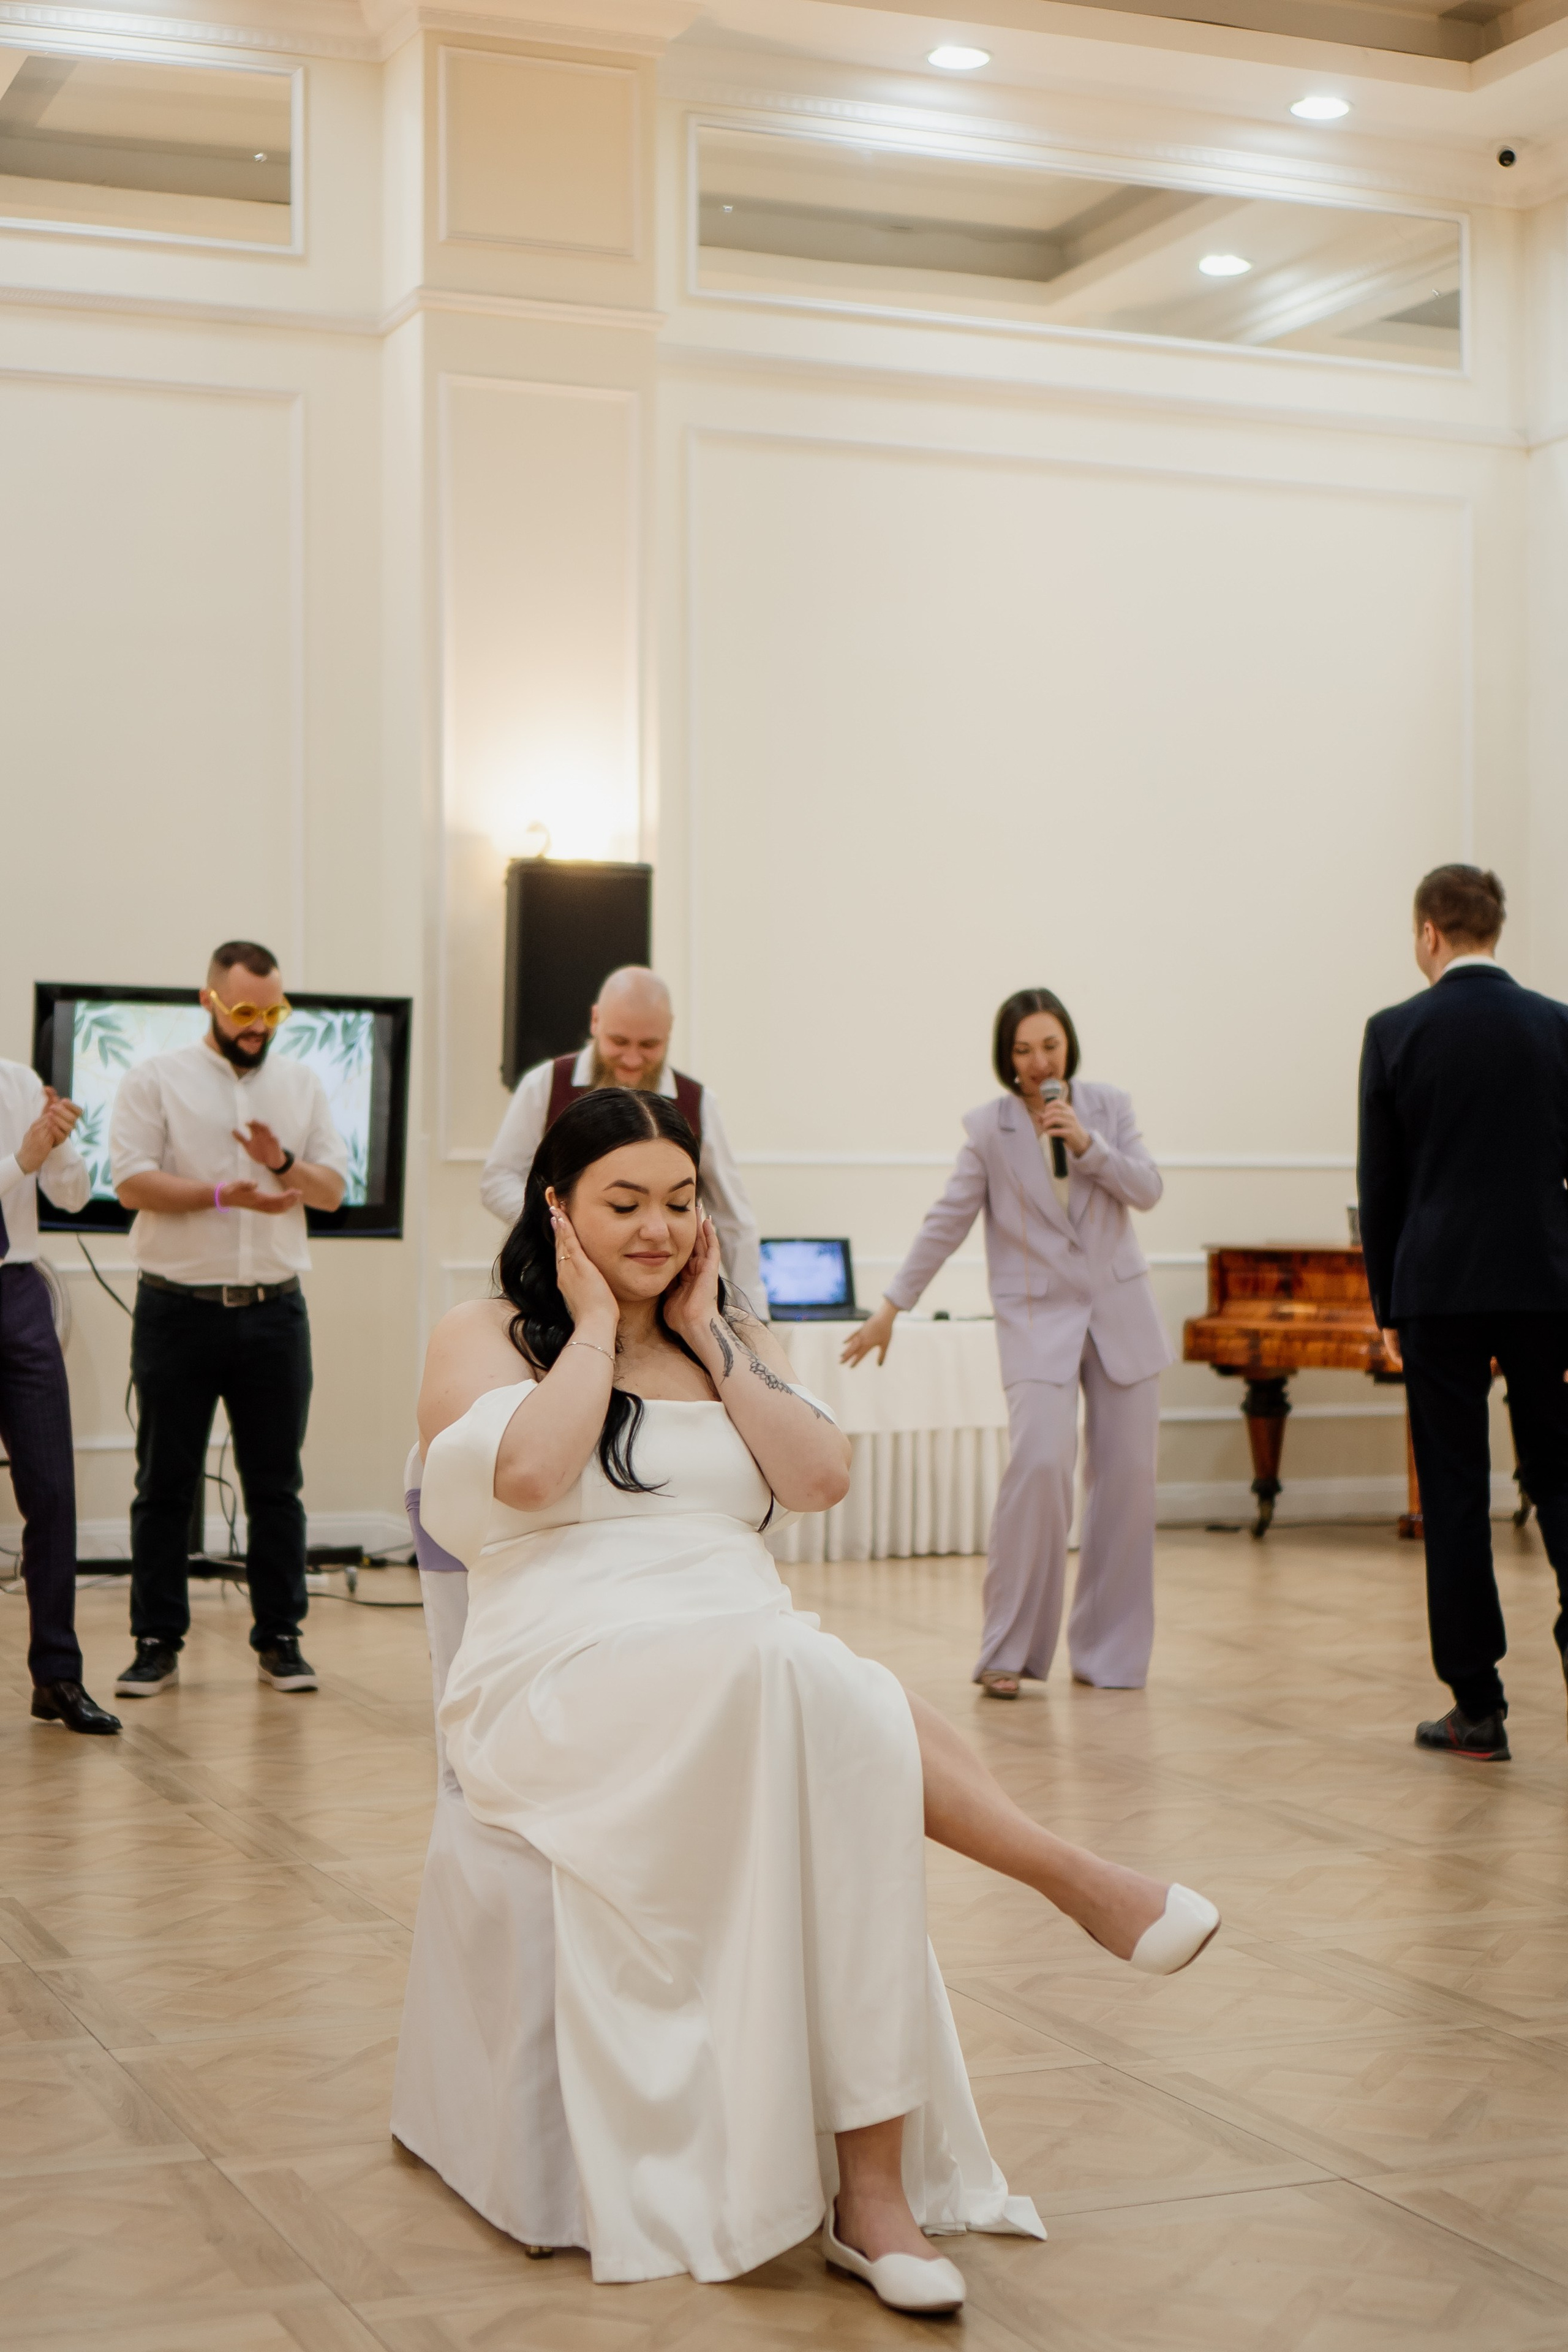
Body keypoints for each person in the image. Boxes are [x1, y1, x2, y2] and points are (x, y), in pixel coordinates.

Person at [414, 1087, 1218, 2307]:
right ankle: (1067, 1880)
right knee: (819, 1684)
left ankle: (875, 2197)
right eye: (623, 1204)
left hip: (740, 1653)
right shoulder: (484, 1331)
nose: (658, 1230)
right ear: (558, 1211)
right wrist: (588, 1328)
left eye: (680, 1203)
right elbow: (524, 1477)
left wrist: (717, 1341)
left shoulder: (729, 1335)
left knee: (810, 1689)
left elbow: (820, 1477)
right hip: (560, 1675)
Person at [843, 988, 1172, 1698]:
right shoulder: (988, 1130)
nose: (1037, 1062)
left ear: (1067, 1047)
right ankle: (1009, 1650)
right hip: (1037, 1325)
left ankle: (1110, 1656)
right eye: (1023, 1050)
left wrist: (1086, 1144)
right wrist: (891, 1307)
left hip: (1120, 1317)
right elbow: (947, 1221)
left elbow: (1147, 1189)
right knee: (1039, 1465)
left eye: (1048, 1046)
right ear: (1006, 1056)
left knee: (1127, 1487)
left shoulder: (1107, 1106)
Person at [1358, 864, 1568, 1762]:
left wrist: (1388, 1304)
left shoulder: (1396, 1030)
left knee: (1451, 1493)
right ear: (1495, 929)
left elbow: (1383, 1184)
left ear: (1430, 934)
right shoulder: (1558, 1027)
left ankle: (1477, 1708)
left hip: (1438, 1292)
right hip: (1544, 1287)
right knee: (1561, 1477)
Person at [108, 941, 349, 1698]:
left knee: (277, 1484)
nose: (259, 1025)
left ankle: (280, 1636)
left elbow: (333, 1191)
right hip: (176, 1311)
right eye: (245, 1010)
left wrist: (279, 1165)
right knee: (164, 1484)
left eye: (272, 1011)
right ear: (210, 1000)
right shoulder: (156, 1080)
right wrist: (223, 1196)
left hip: (275, 1314)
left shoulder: (302, 1084)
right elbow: (130, 1183)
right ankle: (156, 1640)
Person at [480, 965, 767, 1314]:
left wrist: (753, 1317)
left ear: (669, 1031)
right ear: (595, 1021)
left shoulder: (699, 1102)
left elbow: (734, 1219)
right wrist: (565, 1225)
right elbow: (498, 1180)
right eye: (619, 1042)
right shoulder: (545, 1085)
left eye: (649, 1045)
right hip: (556, 1288)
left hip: (662, 1298)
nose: (632, 1060)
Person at [0, 1063, 120, 1733]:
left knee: (52, 1491)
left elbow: (71, 1198)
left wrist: (62, 1143)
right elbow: (23, 1166)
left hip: (19, 1293)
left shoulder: (18, 1081)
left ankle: (58, 1677)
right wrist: (23, 1157)